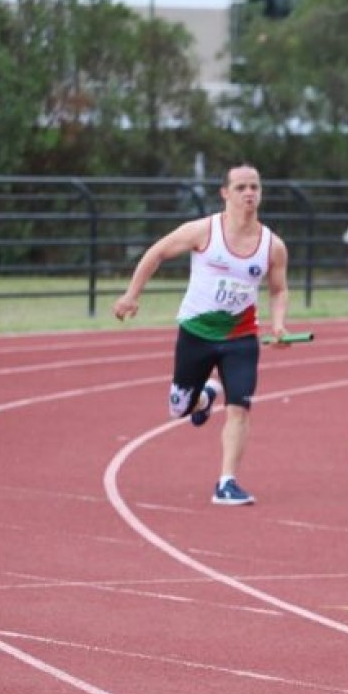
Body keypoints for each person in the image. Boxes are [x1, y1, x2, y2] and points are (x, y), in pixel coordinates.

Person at [112, 163, 290, 507]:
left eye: (254, 186)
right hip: (196, 334)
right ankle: (205, 397)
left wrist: (278, 324)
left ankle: (227, 482)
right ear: (225, 193)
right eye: (241, 187)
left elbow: (279, 289)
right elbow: (157, 252)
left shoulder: (272, 246)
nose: (249, 193)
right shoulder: (203, 231)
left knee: (240, 407)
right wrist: (131, 295)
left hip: (241, 339)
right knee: (179, 408)